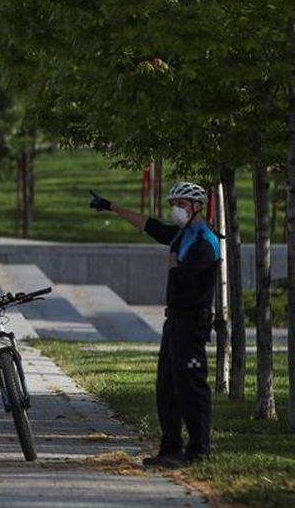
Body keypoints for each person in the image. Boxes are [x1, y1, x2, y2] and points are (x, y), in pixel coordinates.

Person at [89, 182, 219, 468]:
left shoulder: (204, 240)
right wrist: (112, 206)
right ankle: (171, 448)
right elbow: (151, 225)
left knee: (191, 387)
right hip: (174, 321)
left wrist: (174, 263)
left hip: (192, 322)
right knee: (167, 388)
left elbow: (186, 277)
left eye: (182, 204)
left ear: (197, 207)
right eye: (174, 203)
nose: (176, 209)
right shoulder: (182, 235)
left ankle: (199, 451)